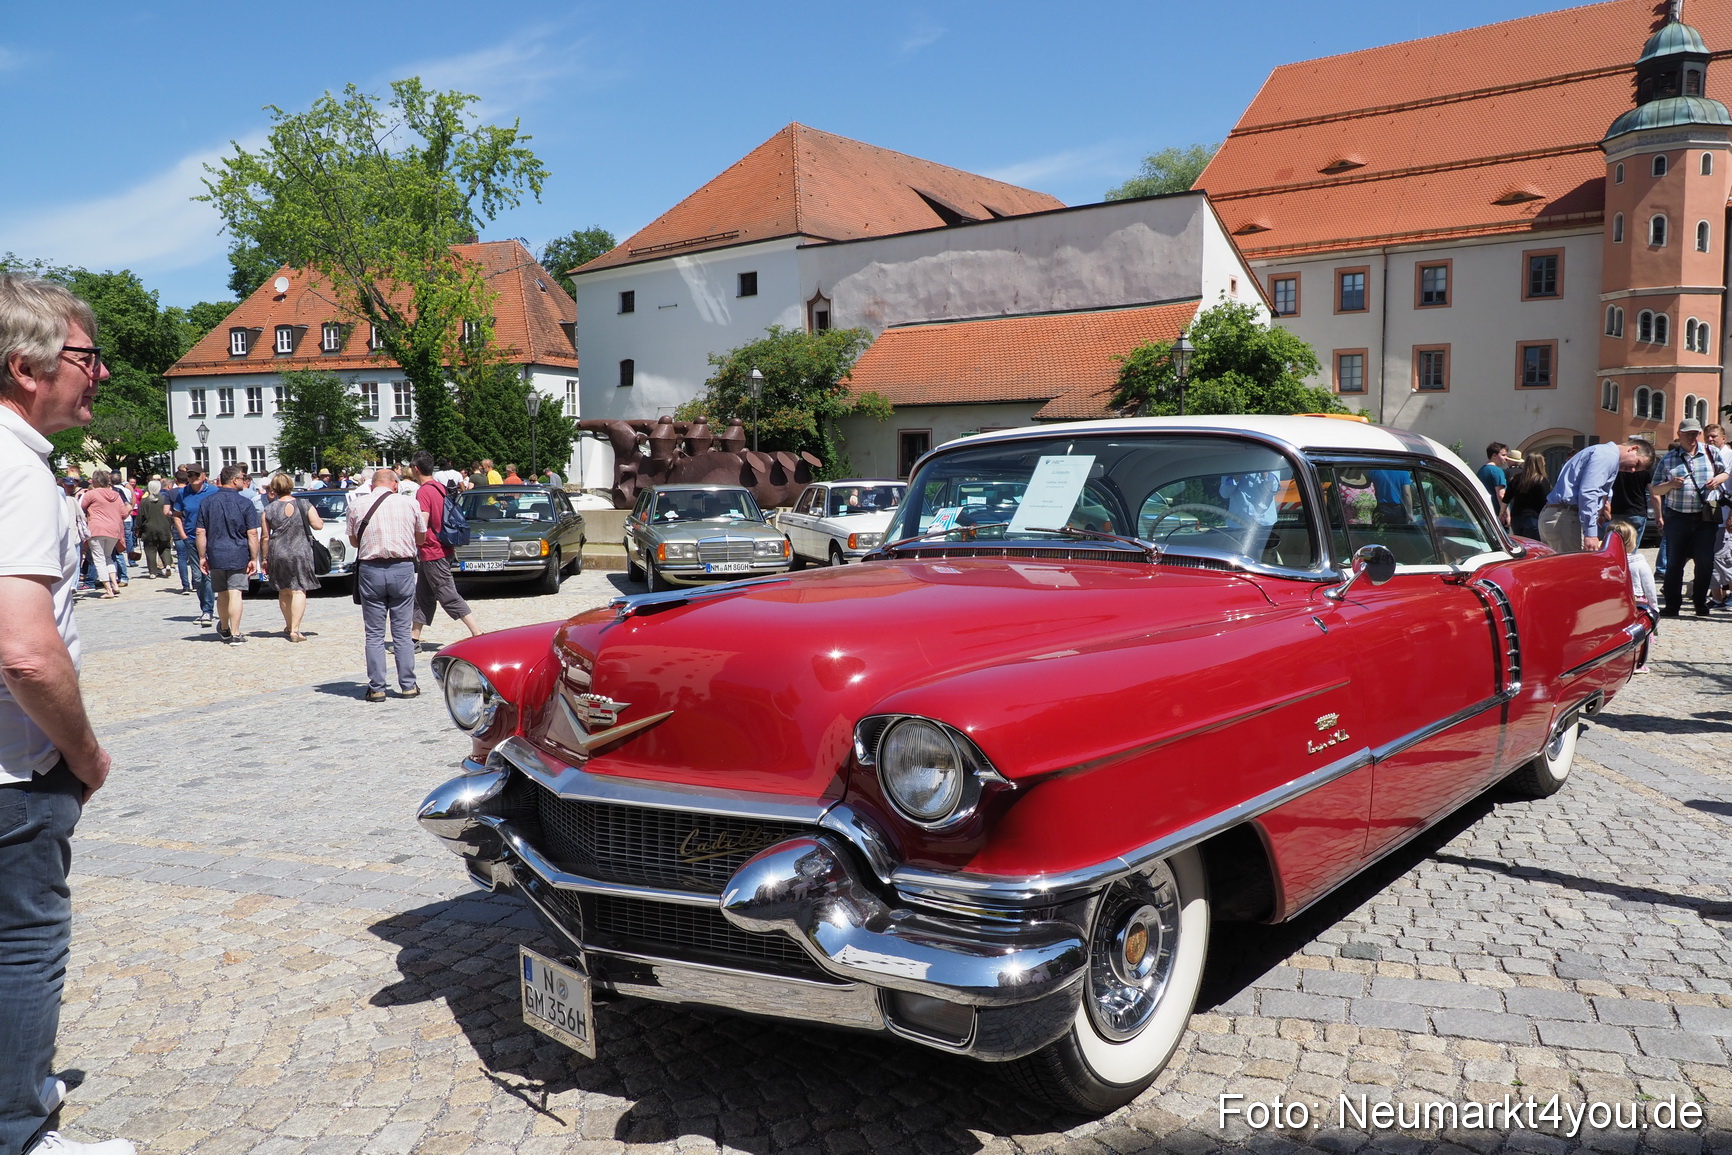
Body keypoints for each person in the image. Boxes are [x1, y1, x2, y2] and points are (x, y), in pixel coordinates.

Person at [0, 274, 138, 1155]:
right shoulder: (16, 472)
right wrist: (83, 754)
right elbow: (24, 648)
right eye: (88, 356)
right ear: (27, 366)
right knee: (23, 946)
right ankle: (18, 1131)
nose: (102, 373)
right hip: (14, 771)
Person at [347, 467, 424, 701]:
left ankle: (377, 688)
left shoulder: (357, 505)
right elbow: (421, 537)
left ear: (372, 485)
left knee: (374, 634)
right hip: (402, 568)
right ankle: (408, 685)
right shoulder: (409, 503)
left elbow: (354, 542)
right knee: (402, 632)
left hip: (370, 570)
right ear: (395, 484)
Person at [1651, 418, 1728, 616]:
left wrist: (1717, 479)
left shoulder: (1711, 452)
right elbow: (1655, 489)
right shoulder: (1669, 458)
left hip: (1705, 517)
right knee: (1674, 562)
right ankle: (1672, 605)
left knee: (1705, 562)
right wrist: (1670, 485)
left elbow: (1725, 473)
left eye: (1695, 433)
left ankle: (1700, 602)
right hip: (1677, 517)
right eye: (1688, 434)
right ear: (1679, 434)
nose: (1693, 437)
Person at [409, 452, 481, 650]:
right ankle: (413, 638)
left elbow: (423, 522)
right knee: (422, 595)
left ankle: (477, 633)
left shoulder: (424, 491)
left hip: (433, 550)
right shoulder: (439, 487)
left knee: (447, 594)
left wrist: (414, 538)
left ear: (416, 469)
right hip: (442, 547)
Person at [1539, 438, 1656, 554]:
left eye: (1637, 470)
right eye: (1637, 464)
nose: (1632, 470)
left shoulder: (1603, 453)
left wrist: (1600, 513)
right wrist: (1591, 534)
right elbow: (1589, 492)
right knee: (1575, 565)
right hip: (1566, 518)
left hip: (1557, 515)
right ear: (1633, 448)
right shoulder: (1608, 456)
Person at [194, 465, 260, 645]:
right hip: (238, 552)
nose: (244, 482)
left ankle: (224, 627)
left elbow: (200, 532)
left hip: (215, 552)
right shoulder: (245, 503)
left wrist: (202, 556)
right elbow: (252, 533)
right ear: (234, 480)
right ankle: (236, 633)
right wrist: (254, 558)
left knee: (222, 593)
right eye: (242, 478)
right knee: (236, 592)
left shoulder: (207, 502)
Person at [259, 472, 322, 642]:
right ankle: (295, 629)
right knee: (299, 589)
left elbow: (265, 537)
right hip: (300, 551)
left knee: (284, 590)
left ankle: (288, 625)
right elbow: (318, 525)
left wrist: (264, 558)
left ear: (274, 488)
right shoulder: (304, 504)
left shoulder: (269, 509)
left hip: (278, 552)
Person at [169, 465, 218, 624]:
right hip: (191, 538)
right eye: (190, 475)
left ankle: (208, 611)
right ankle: (205, 608)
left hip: (211, 538)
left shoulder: (214, 491)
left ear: (204, 475)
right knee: (197, 576)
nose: (193, 478)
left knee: (207, 574)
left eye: (196, 475)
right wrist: (183, 534)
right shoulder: (183, 493)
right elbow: (176, 515)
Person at [1611, 520, 1658, 673]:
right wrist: (1654, 608)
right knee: (1640, 635)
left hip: (1615, 605)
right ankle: (1638, 663)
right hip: (1638, 604)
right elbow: (1649, 587)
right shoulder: (1639, 563)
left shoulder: (1609, 563)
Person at [77, 471, 127, 600]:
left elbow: (80, 508)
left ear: (95, 481)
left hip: (97, 529)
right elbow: (124, 513)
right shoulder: (116, 494)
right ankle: (115, 584)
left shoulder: (91, 494)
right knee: (108, 557)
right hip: (114, 530)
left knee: (99, 560)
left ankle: (108, 590)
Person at [1505, 453, 1549, 540]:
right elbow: (1546, 501)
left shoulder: (1516, 478)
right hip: (1534, 517)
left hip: (1516, 517)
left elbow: (1506, 498)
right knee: (1532, 544)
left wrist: (1503, 513)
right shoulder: (1541, 480)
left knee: (1521, 543)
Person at [136, 480, 174, 578]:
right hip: (164, 527)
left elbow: (140, 516)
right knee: (165, 547)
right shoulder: (164, 499)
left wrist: (137, 528)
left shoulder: (144, 501)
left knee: (150, 549)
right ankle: (167, 564)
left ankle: (153, 572)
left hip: (149, 528)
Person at [1477, 443, 1510, 525]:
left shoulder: (1480, 471)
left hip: (1484, 513)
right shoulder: (1497, 471)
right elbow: (1501, 495)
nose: (1506, 458)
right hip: (1497, 515)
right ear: (1494, 455)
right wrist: (1506, 514)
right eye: (1503, 455)